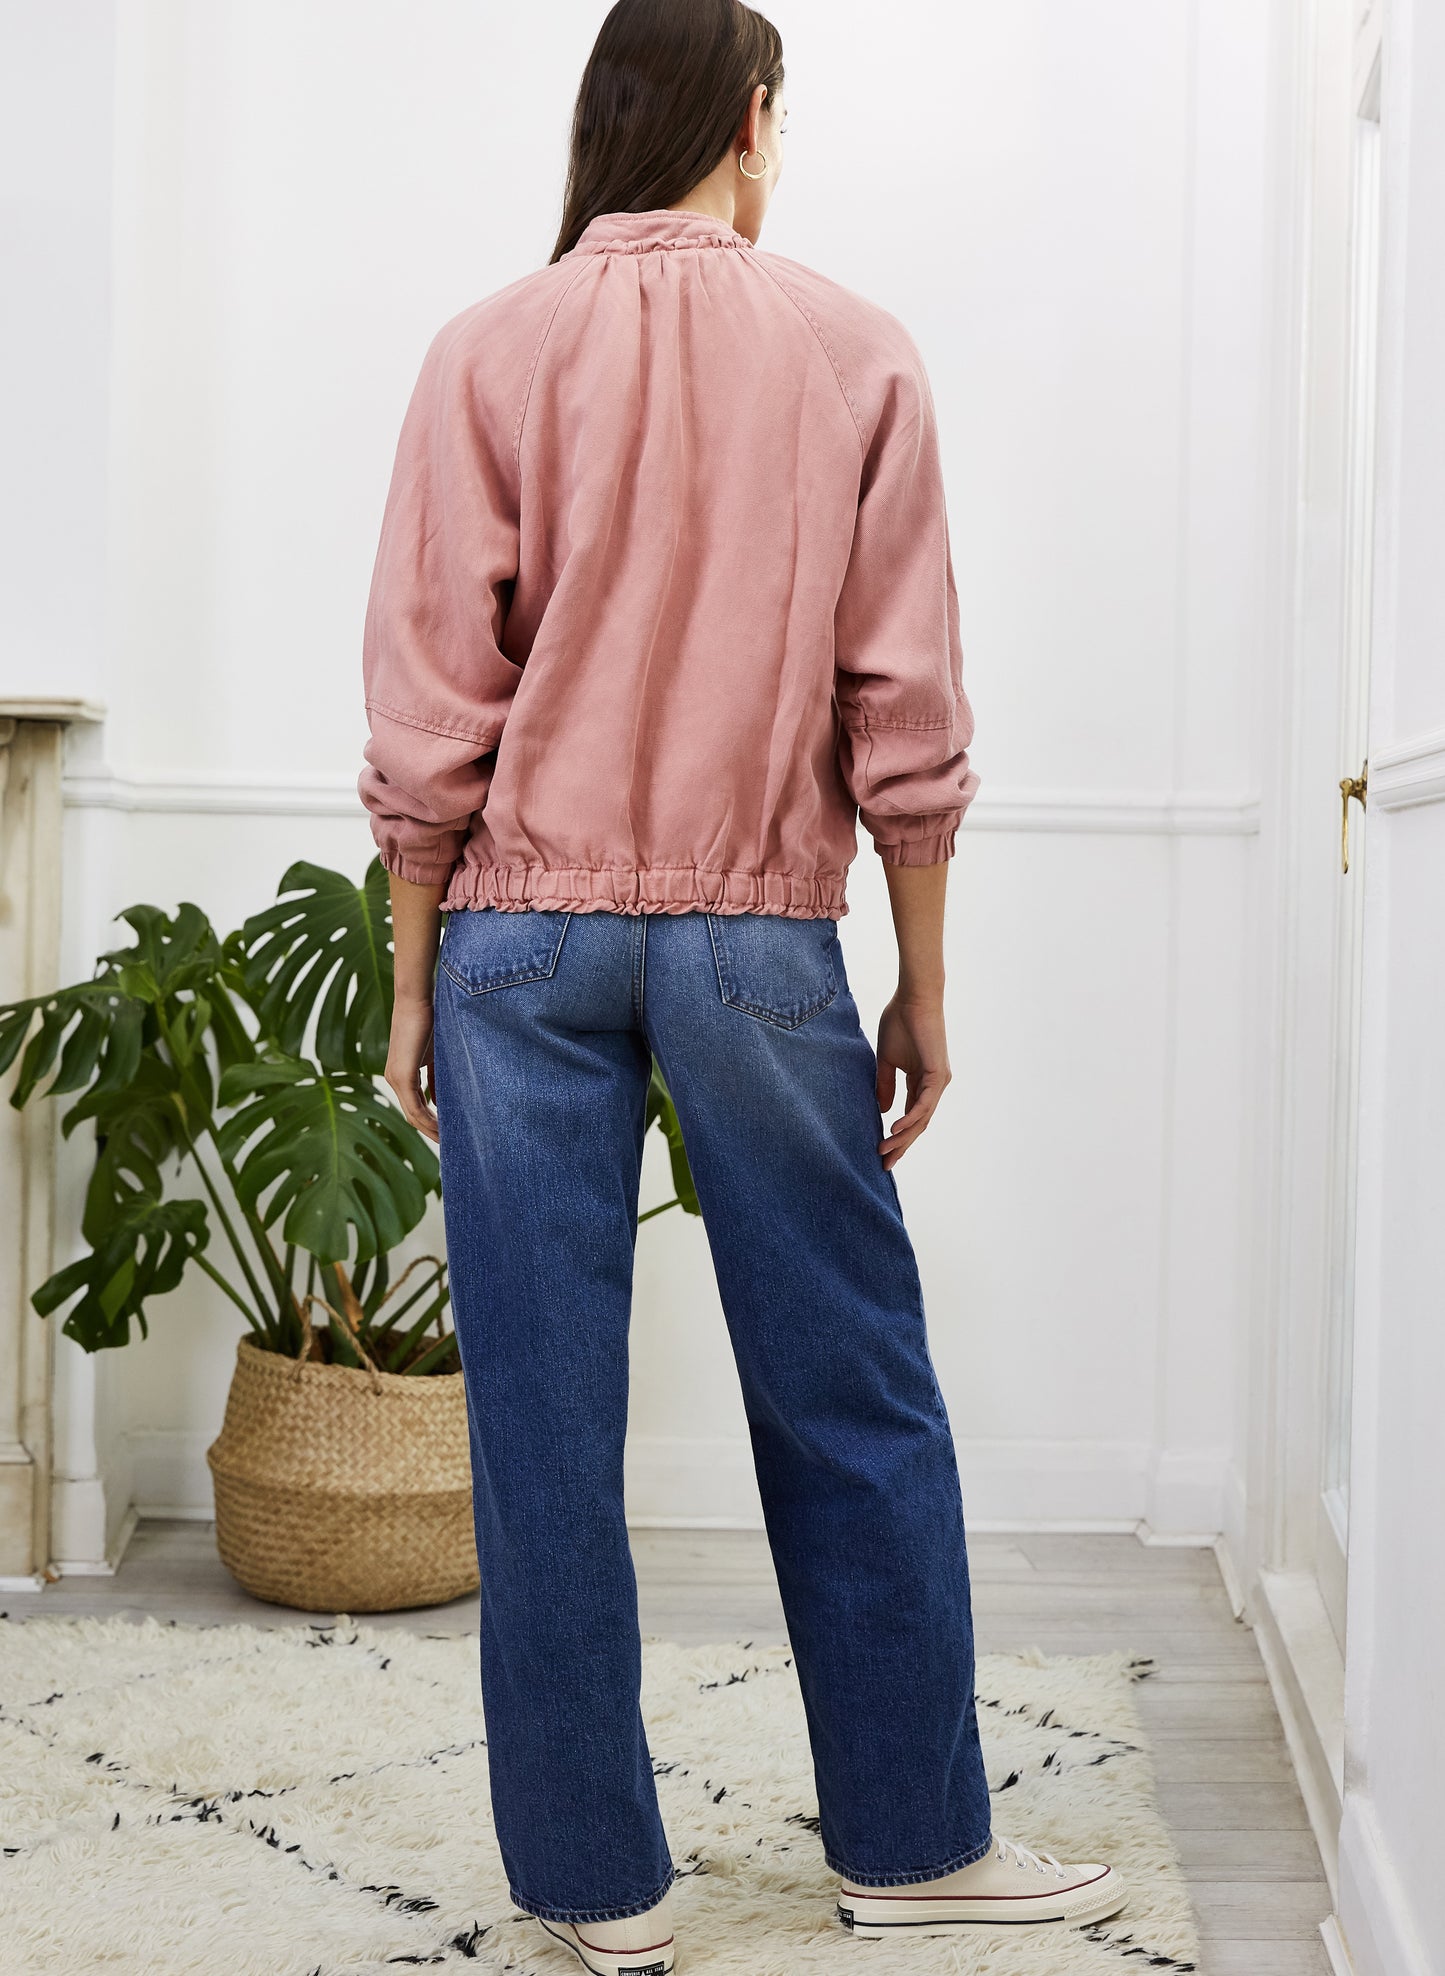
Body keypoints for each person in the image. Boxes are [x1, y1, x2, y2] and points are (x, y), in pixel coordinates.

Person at [359, 3, 1124, 1969]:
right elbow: (905, 702)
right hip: (757, 939)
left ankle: (595, 1895)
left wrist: (411, 981)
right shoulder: (855, 349)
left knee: (539, 1427)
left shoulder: (486, 349)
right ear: (755, 121)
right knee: (851, 1386)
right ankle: (913, 1848)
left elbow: (432, 702)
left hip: (518, 935)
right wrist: (922, 979)